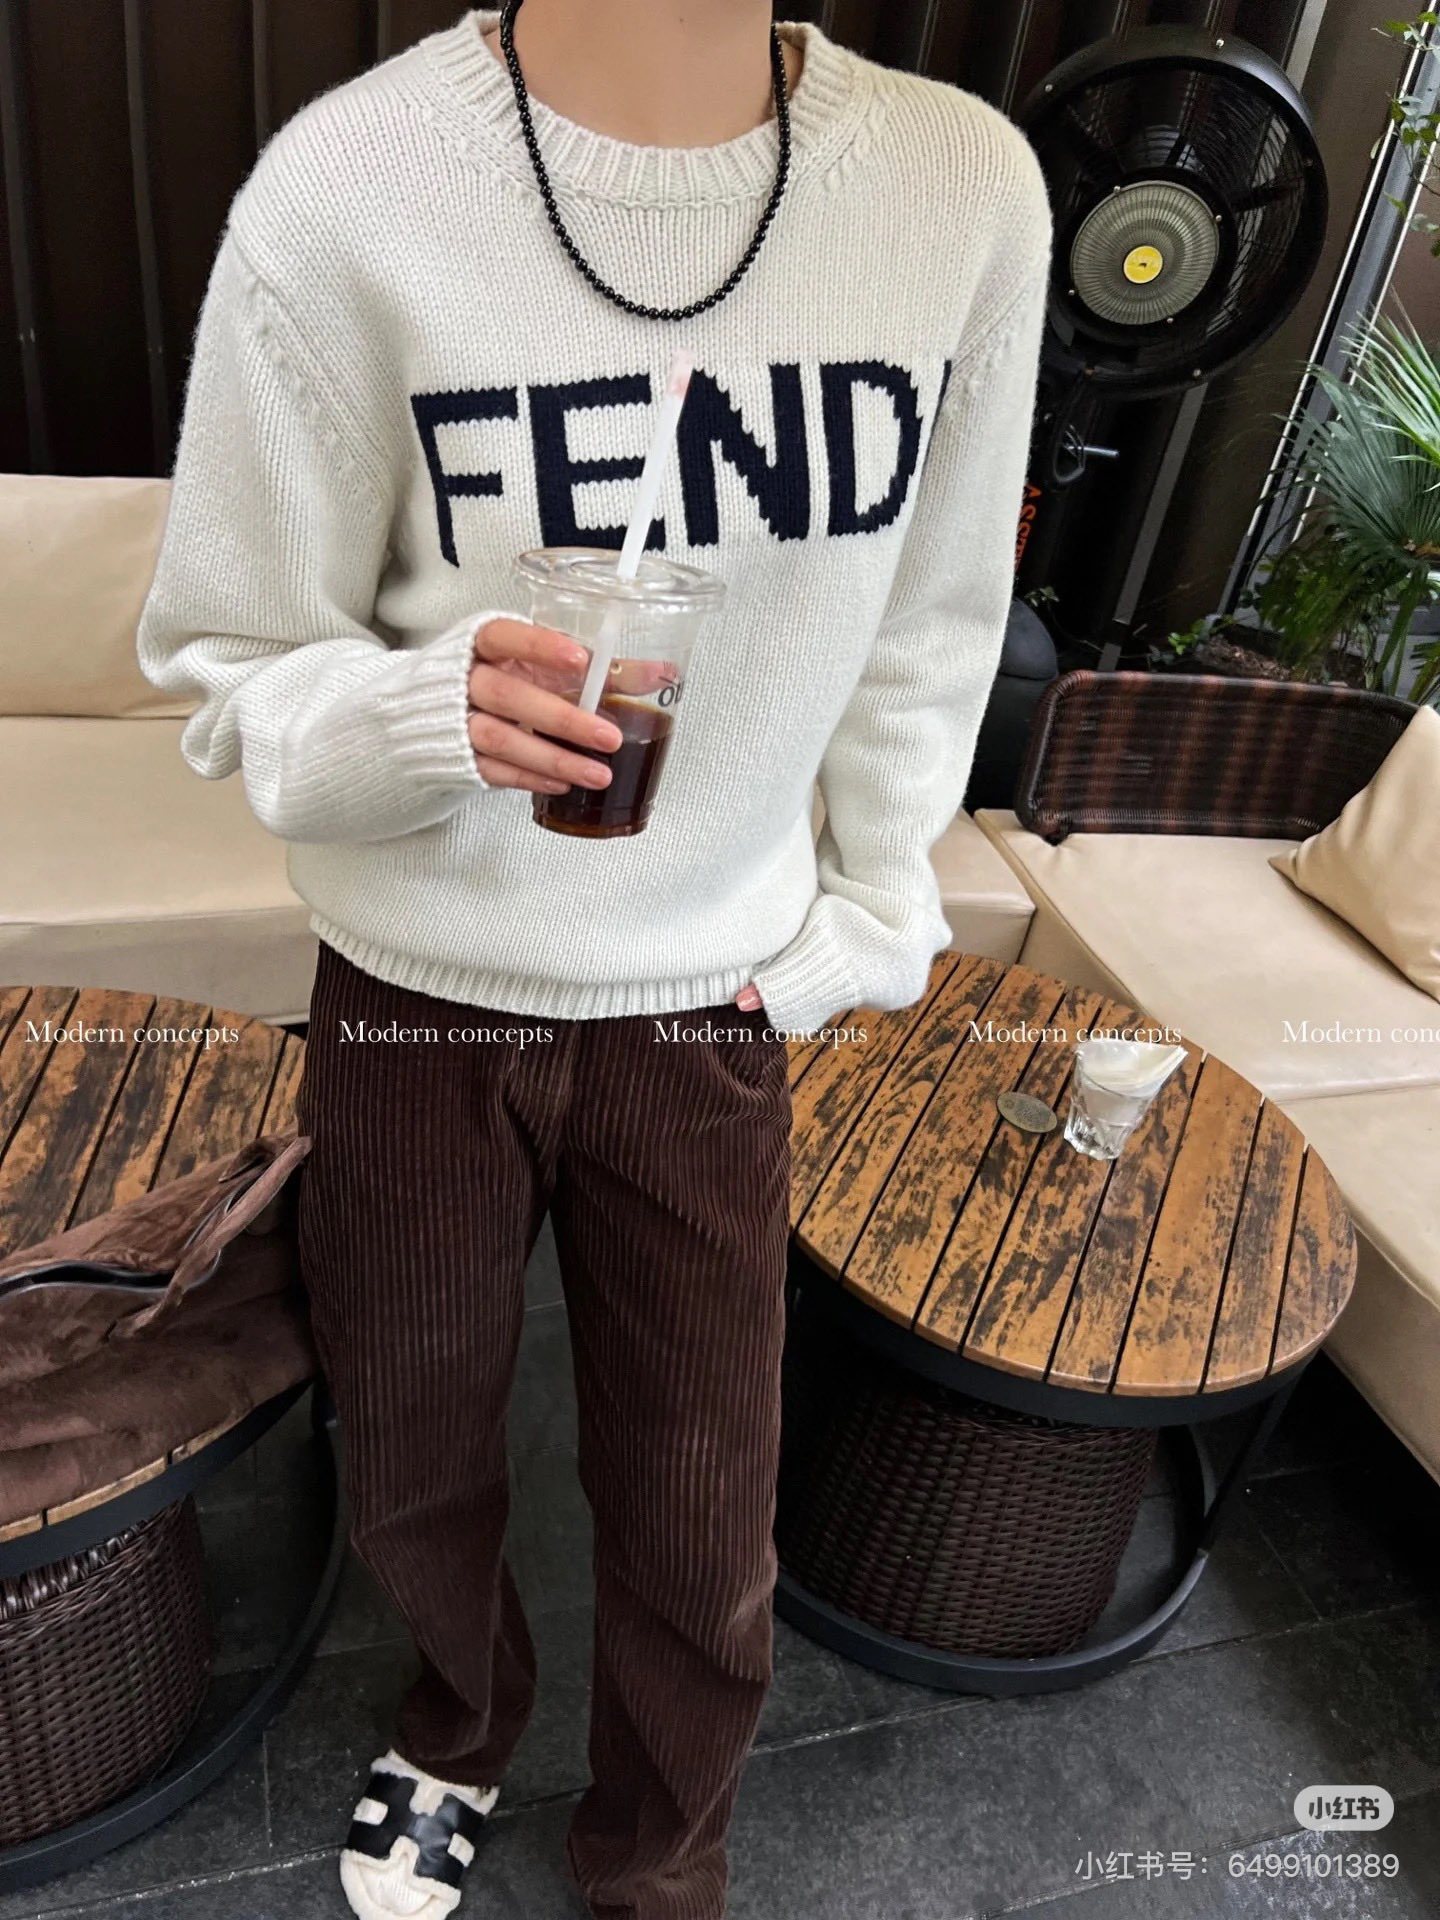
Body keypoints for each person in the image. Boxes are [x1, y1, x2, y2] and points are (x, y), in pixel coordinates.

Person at [137, 2, 1052, 1914]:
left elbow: (933, 618)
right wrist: (422, 712)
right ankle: (454, 1728)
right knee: (409, 1447)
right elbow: (228, 663)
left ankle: (665, 1852)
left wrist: (871, 919)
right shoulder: (348, 188)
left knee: (705, 1505)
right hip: (412, 993)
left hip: (713, 1000)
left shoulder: (960, 186)